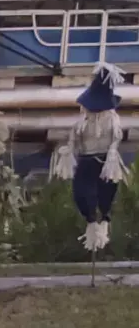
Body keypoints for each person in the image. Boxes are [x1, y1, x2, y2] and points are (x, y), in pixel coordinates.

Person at [51, 63, 130, 252]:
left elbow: (116, 139)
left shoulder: (112, 120)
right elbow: (74, 139)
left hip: (105, 162)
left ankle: (102, 221)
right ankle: (92, 222)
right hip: (87, 160)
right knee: (83, 194)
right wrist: (68, 152)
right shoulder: (82, 121)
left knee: (105, 196)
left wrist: (111, 155)